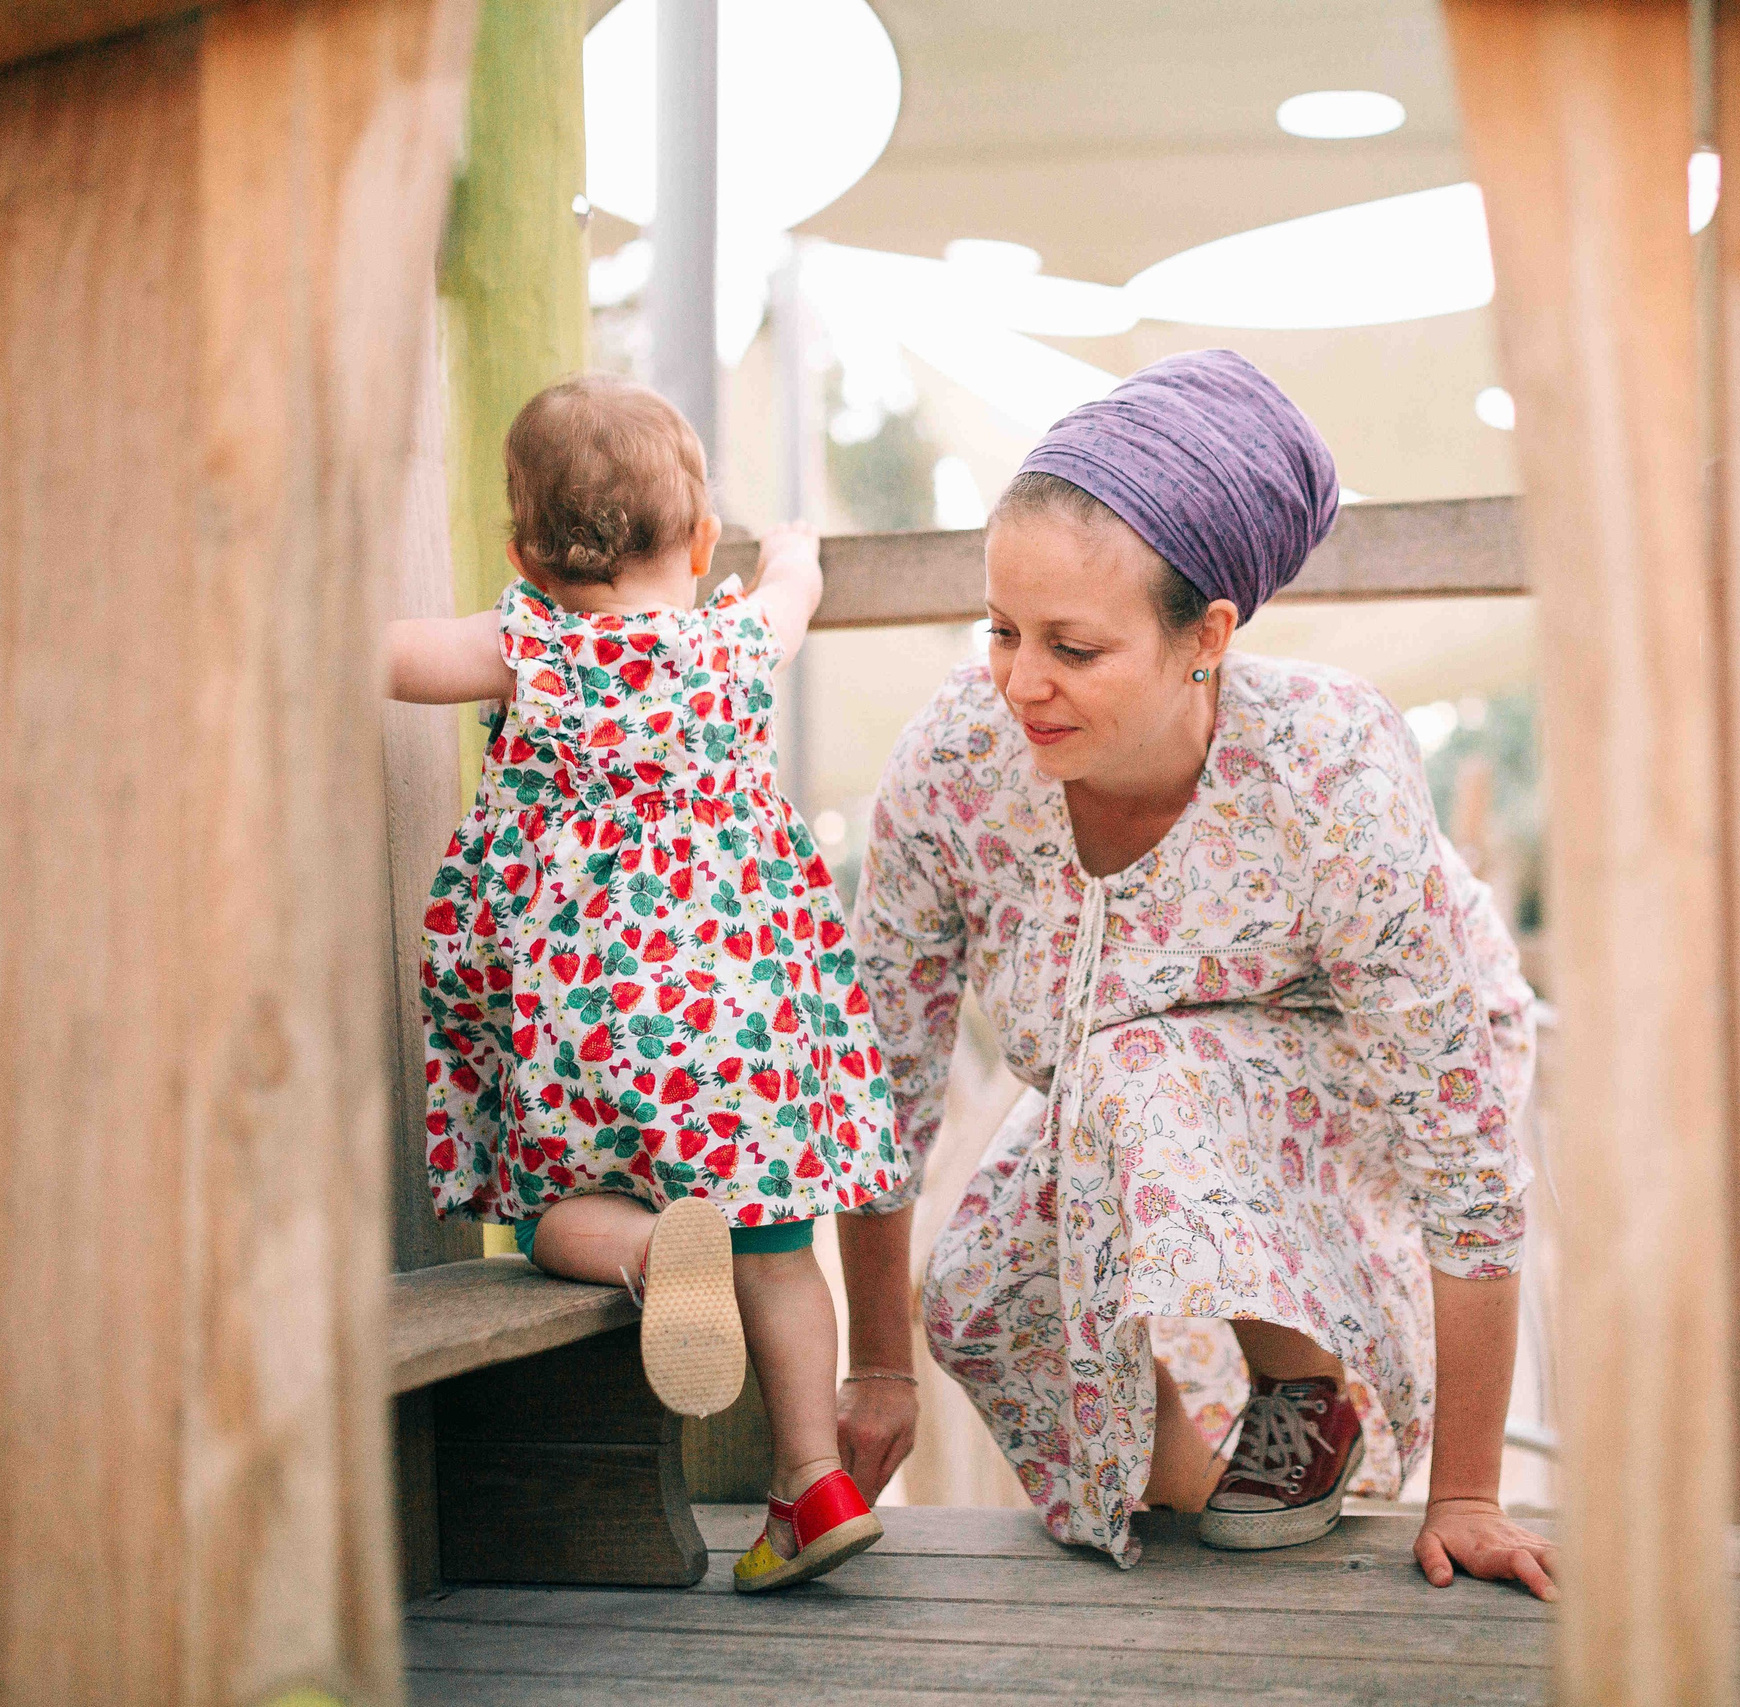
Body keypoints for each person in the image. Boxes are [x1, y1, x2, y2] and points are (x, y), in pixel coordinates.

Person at [832, 349, 1555, 1595]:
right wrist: (880, 1364)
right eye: (1000, 631)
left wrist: (1473, 1494)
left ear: (1204, 638)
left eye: (1073, 647)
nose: (1018, 683)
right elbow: (879, 1067)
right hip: (1135, 1099)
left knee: (1134, 1065)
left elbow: (1461, 1143)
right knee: (983, 1288)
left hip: (1373, 1081)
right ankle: (1199, 1535)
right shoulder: (958, 760)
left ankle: (1304, 1389)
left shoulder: (1325, 771)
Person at [385, 372, 898, 1593]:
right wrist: (797, 552)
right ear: (701, 536)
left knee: (554, 1205)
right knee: (778, 1249)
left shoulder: (532, 646)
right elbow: (796, 592)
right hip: (740, 1020)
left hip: (586, 1014)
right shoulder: (732, 638)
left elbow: (397, 661)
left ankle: (651, 1250)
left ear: (520, 551)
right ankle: (813, 1481)